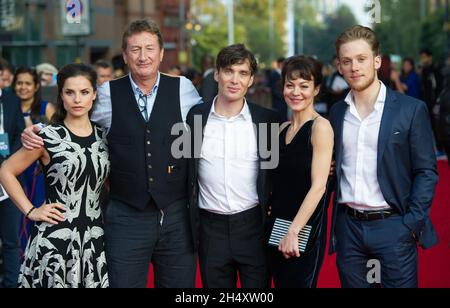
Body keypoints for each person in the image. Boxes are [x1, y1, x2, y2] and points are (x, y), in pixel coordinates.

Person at [22, 19, 202, 288]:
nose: (143, 56)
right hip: (126, 216)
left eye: (150, 48)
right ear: (125, 56)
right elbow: (76, 115)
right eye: (135, 49)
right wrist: (42, 129)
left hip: (176, 216)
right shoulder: (106, 94)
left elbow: (210, 126)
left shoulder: (183, 89)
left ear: (162, 53)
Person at [329, 25, 439, 288]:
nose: (354, 67)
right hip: (349, 229)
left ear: (377, 61)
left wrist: (410, 224)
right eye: (347, 61)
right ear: (339, 67)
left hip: (394, 226)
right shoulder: (336, 113)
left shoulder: (411, 110)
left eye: (361, 59)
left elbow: (426, 171)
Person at [0, 63, 110, 288]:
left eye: (84, 92)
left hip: (94, 242)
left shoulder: (105, 135)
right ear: (61, 95)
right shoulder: (47, 136)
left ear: (94, 95)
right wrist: (31, 210)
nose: (77, 99)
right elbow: (6, 171)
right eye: (70, 92)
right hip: (54, 242)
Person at [186, 44, 279, 288]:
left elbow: (278, 173)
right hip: (210, 230)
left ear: (251, 80)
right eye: (229, 71)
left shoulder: (267, 122)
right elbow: (184, 171)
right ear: (216, 74)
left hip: (254, 227)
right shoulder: (195, 118)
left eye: (243, 73)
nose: (235, 80)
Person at [268, 56, 333, 288]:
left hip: (304, 228)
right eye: (290, 85)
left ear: (316, 89)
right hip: (276, 225)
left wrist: (293, 232)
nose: (296, 92)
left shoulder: (320, 127)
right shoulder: (281, 129)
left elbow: (318, 187)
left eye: (304, 86)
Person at [12, 67, 56, 251]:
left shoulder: (46, 108)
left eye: (28, 83)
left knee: (37, 209)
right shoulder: (7, 106)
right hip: (15, 168)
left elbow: (57, 139)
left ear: (36, 86)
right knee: (15, 217)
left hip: (38, 171)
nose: (23, 87)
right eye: (19, 83)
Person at [0, 61, 25, 288]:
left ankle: (10, 283)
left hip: (7, 177)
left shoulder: (11, 101)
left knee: (11, 239)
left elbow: (18, 134)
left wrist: (9, 164)